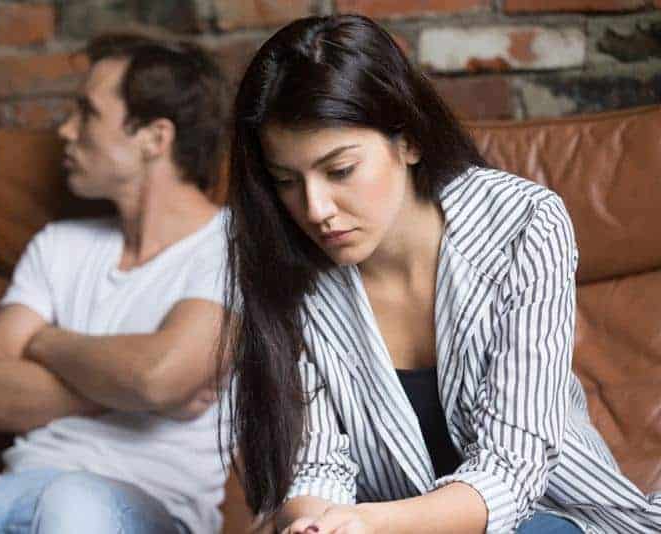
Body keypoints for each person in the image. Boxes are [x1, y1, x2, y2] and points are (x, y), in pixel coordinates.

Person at [218, 14, 661, 534]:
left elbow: (511, 471)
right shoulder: (284, 260)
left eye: (339, 171)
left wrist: (369, 524)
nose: (315, 209)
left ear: (408, 142)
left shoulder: (522, 223)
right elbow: (316, 465)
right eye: (286, 181)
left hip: (549, 517)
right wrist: (319, 526)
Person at [0, 33, 229, 534]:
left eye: (86, 113)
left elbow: (158, 376)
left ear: (154, 137)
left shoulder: (232, 244)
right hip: (4, 502)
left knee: (71, 504)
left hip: (134, 508)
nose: (65, 130)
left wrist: (43, 341)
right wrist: (124, 390)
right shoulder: (58, 244)